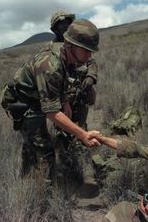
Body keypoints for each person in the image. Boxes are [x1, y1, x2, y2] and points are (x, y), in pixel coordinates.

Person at [0, 19, 101, 181]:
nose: (89, 55)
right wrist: (82, 134)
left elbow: (62, 82)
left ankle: (27, 171)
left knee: (33, 144)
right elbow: (52, 112)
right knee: (44, 151)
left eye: (91, 51)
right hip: (24, 103)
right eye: (86, 50)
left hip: (38, 99)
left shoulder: (67, 54)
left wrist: (65, 100)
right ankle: (41, 193)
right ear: (70, 44)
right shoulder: (50, 66)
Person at [49, 11, 99, 191]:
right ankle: (68, 166)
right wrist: (63, 100)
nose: (64, 26)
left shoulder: (80, 43)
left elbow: (92, 62)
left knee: (81, 126)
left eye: (67, 23)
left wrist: (91, 77)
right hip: (64, 100)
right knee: (63, 133)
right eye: (60, 24)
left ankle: (80, 150)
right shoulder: (54, 52)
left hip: (81, 94)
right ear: (54, 28)